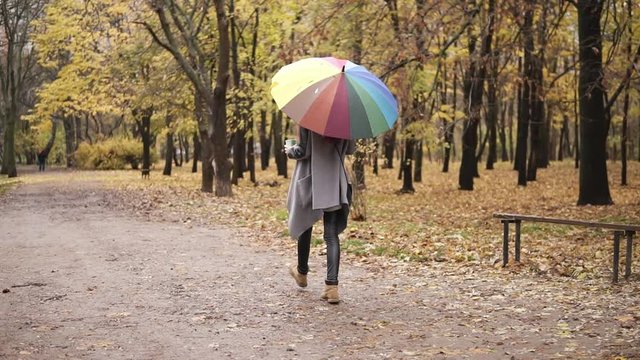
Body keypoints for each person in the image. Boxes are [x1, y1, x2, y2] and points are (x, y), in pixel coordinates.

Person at [285, 127, 355, 304]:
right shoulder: (345, 120)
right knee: (331, 235)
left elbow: (303, 151)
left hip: (311, 178)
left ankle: (301, 273)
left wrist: (289, 150)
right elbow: (350, 150)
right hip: (333, 179)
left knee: (305, 225)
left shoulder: (310, 119)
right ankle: (332, 287)